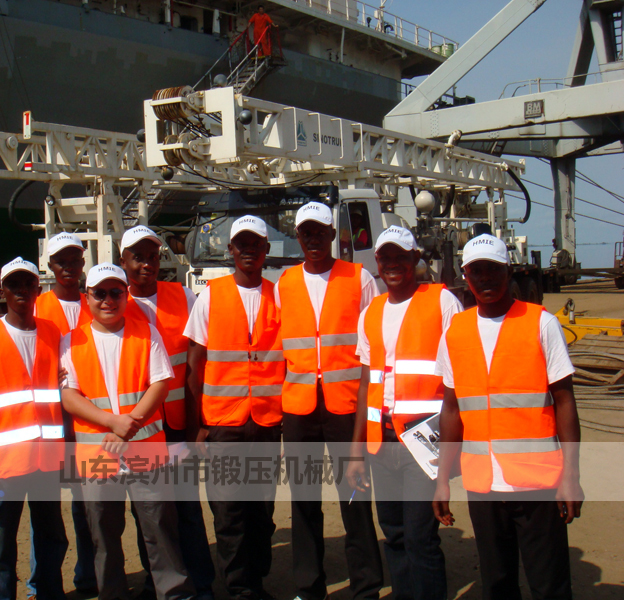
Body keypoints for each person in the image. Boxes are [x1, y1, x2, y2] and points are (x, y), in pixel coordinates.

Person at [432, 234, 584, 600]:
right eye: (476, 271)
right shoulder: (456, 332)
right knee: (497, 584)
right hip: (483, 485)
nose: (484, 278)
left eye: (493, 270)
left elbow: (565, 402)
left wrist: (571, 476)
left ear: (509, 272)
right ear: (465, 275)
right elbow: (451, 410)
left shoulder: (541, 323)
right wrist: (441, 478)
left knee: (549, 585)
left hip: (538, 483)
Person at [60, 263, 195, 600]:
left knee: (160, 533)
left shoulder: (146, 332)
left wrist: (127, 425)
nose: (108, 300)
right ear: (87, 297)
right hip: (97, 458)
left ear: (125, 294)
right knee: (104, 539)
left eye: (116, 292)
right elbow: (69, 396)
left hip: (145, 455)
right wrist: (112, 423)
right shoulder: (70, 342)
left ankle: (174, 594)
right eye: (100, 293)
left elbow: (161, 384)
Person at [275, 202, 383, 600]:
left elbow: (375, 342)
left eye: (321, 232)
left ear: (333, 235)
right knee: (304, 501)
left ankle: (367, 585)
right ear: (298, 236)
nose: (314, 239)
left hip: (345, 406)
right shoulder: (284, 283)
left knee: (355, 498)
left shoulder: (359, 278)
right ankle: (308, 586)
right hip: (299, 407)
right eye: (307, 232)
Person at [348, 227, 462, 600]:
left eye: (401, 257)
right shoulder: (371, 312)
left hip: (422, 442)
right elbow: (366, 384)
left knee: (419, 537)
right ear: (377, 263)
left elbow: (457, 378)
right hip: (382, 442)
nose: (393, 264)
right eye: (386, 257)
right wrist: (356, 450)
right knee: (394, 535)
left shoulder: (442, 302)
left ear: (415, 259)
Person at [185, 215, 284, 600]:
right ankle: (240, 589)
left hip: (265, 422)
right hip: (224, 426)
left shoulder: (279, 297)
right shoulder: (211, 295)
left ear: (266, 251)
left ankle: (256, 580)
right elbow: (195, 365)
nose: (248, 250)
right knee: (229, 513)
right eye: (241, 244)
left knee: (260, 510)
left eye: (255, 244)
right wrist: (199, 424)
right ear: (230, 250)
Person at [120, 225, 216, 600]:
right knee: (149, 513)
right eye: (138, 257)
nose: (147, 264)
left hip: (178, 426)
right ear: (123, 260)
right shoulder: (113, 301)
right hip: (141, 431)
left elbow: (197, 365)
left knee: (187, 507)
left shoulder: (183, 296)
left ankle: (201, 582)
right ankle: (157, 580)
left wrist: (199, 425)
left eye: (153, 256)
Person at [0, 256, 68, 600]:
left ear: (37, 289)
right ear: (3, 291)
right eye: (14, 285)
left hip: (45, 463)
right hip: (5, 465)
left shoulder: (53, 334)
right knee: (1, 548)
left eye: (27, 284)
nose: (21, 290)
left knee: (51, 540)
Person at [31, 232, 97, 598]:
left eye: (75, 260)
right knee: (46, 510)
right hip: (49, 422)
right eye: (62, 261)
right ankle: (42, 585)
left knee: (87, 506)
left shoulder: (97, 299)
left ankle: (88, 577)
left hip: (87, 418)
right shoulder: (38, 306)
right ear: (50, 266)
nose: (69, 267)